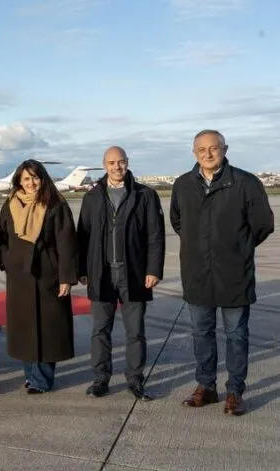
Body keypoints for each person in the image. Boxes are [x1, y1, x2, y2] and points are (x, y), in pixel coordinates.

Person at [171, 130, 274, 416]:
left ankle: (234, 392)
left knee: (236, 335)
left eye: (213, 148)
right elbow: (178, 222)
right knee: (201, 333)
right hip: (196, 273)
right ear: (194, 153)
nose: (208, 153)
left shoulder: (245, 183)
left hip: (234, 274)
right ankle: (205, 386)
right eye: (201, 149)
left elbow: (263, 224)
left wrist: (238, 248)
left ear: (224, 149)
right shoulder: (182, 185)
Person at [77, 147, 165, 401]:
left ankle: (135, 380)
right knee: (100, 330)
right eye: (112, 162)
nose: (117, 167)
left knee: (135, 331)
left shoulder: (145, 195)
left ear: (127, 163)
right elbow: (82, 236)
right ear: (104, 165)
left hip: (135, 274)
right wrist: (82, 270)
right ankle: (101, 379)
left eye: (121, 162)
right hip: (102, 274)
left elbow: (155, 236)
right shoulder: (92, 197)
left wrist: (153, 269)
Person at [0, 160, 77, 394]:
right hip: (19, 276)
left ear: (43, 178)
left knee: (47, 329)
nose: (31, 183)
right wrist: (7, 261)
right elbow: (0, 238)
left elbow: (67, 242)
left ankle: (41, 379)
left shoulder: (56, 203)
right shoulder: (10, 204)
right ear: (19, 180)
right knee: (24, 328)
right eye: (26, 178)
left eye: (35, 178)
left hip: (47, 273)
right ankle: (30, 375)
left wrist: (66, 277)